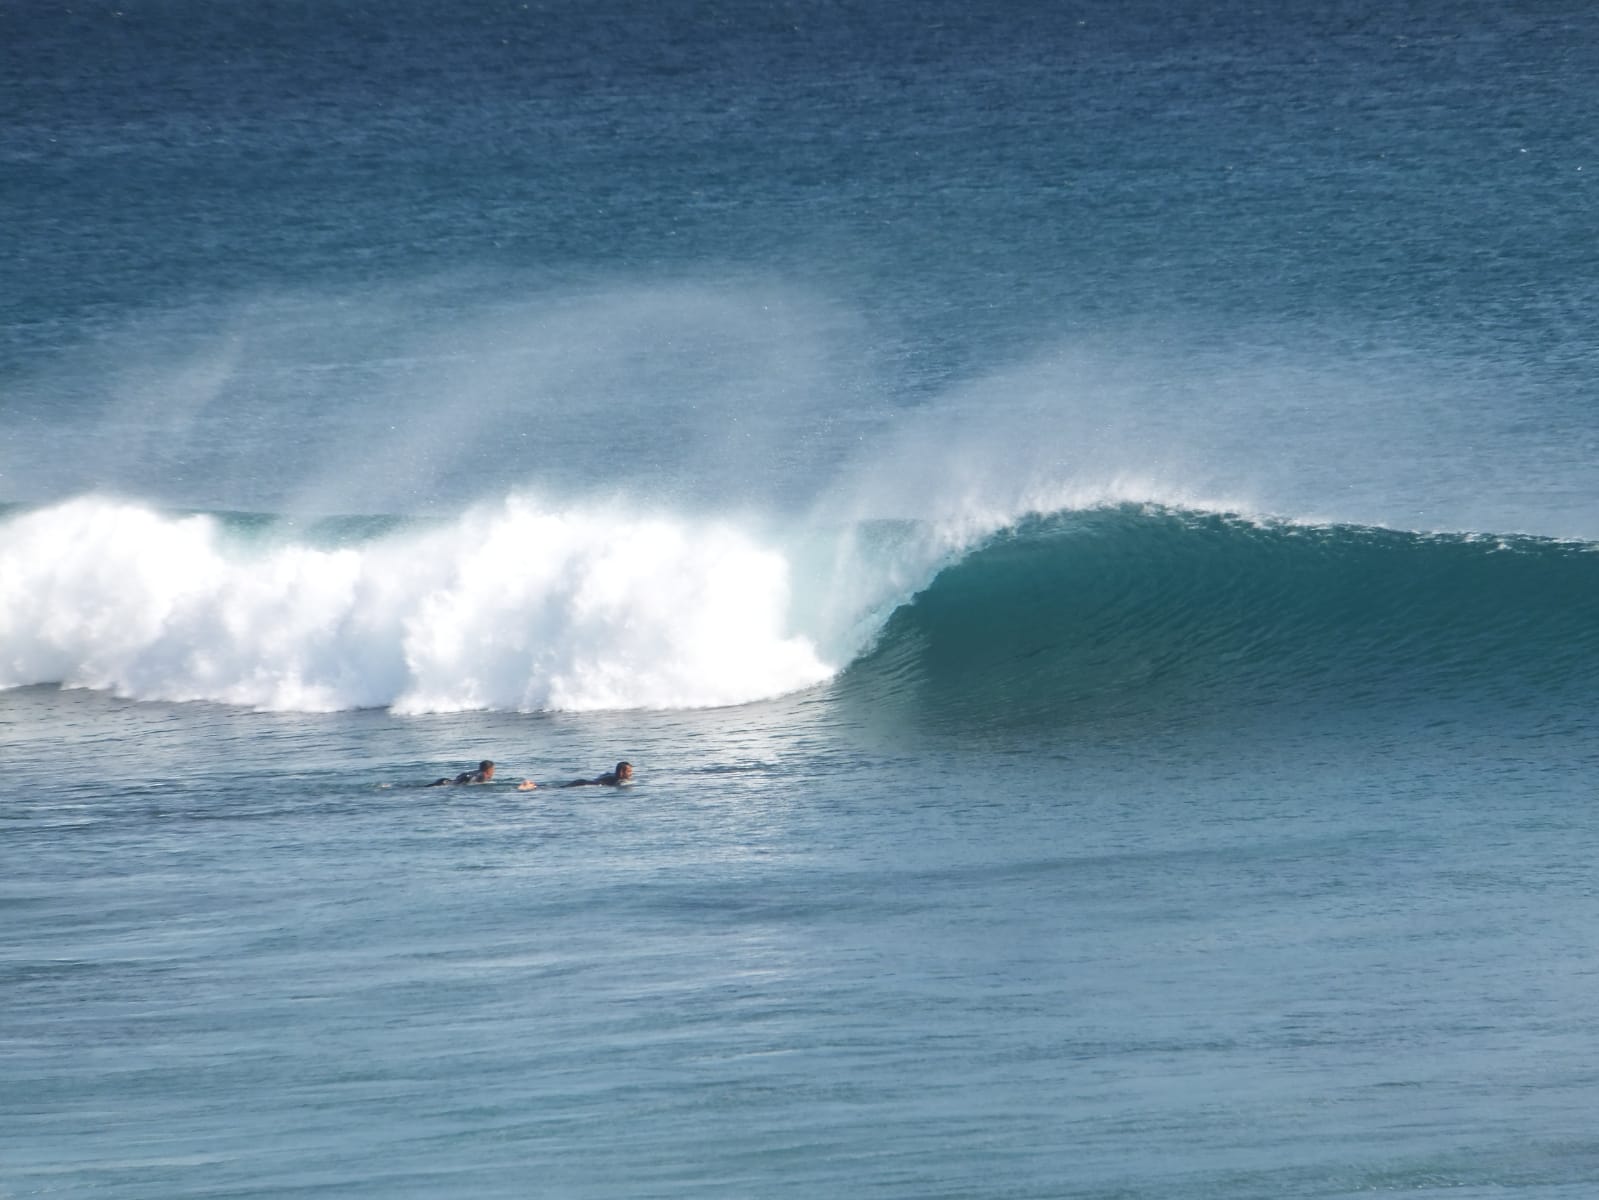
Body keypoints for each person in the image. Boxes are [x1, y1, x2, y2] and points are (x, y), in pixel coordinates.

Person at [428, 759, 495, 786]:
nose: (493, 772)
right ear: (489, 769)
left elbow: (463, 775)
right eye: (493, 769)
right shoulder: (483, 775)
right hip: (448, 784)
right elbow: (469, 779)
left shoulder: (475, 772)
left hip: (445, 781)